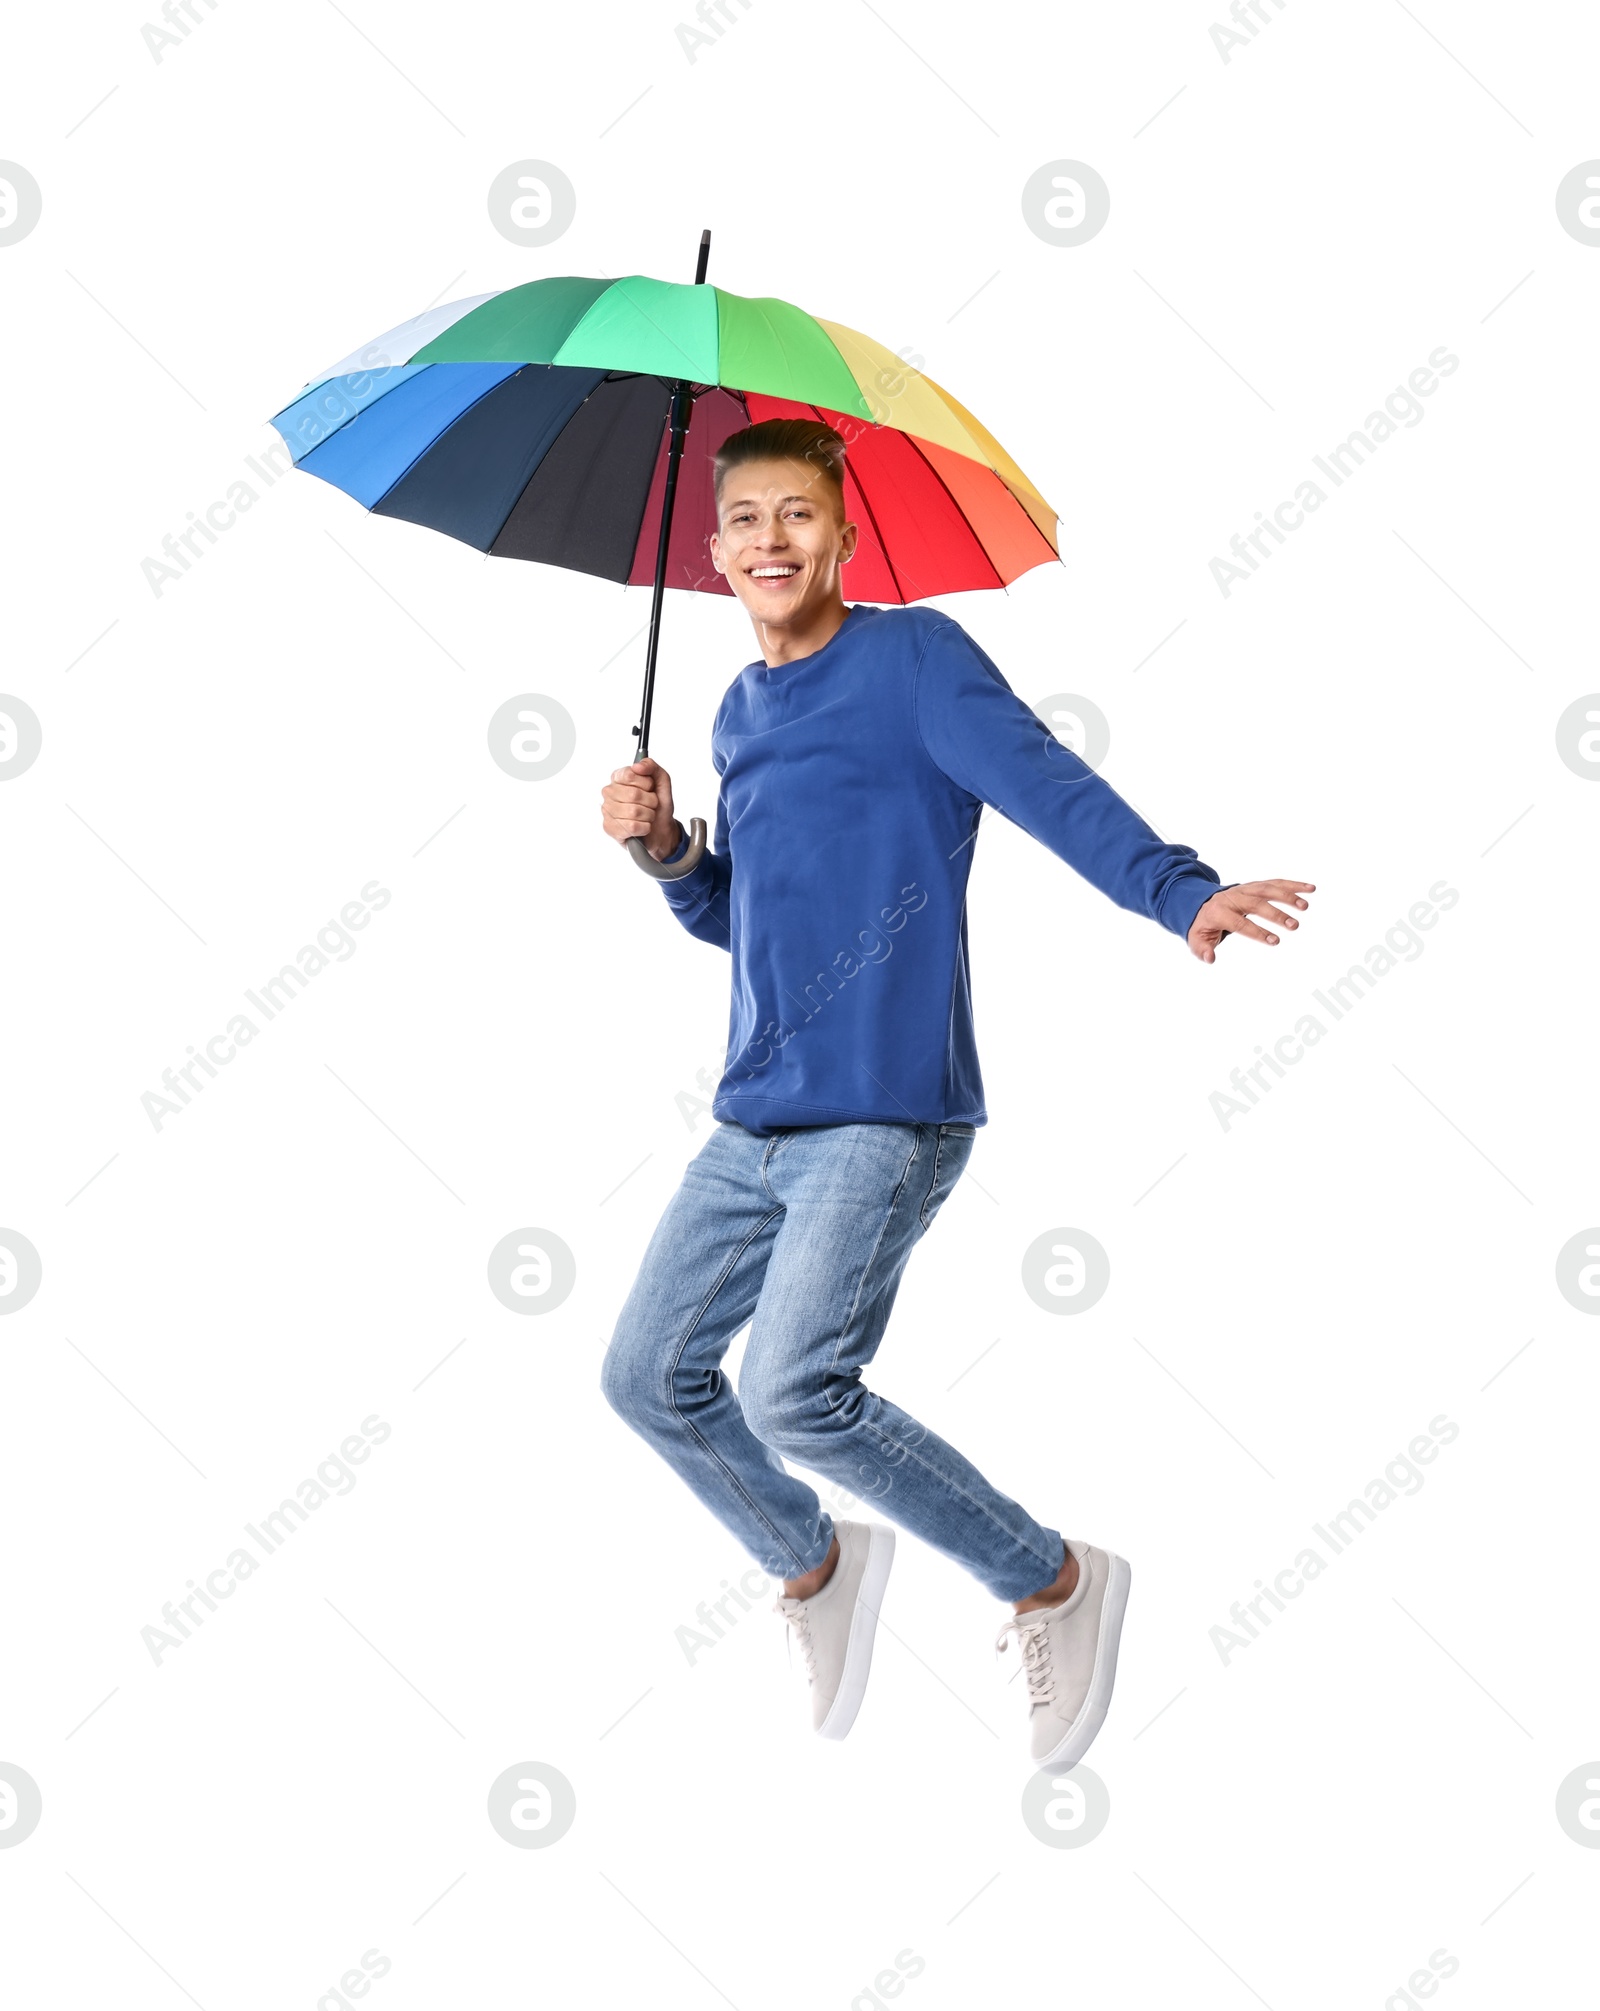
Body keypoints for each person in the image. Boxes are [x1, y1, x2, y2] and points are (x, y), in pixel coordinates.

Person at [599, 416, 1312, 1765]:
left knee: (795, 1393)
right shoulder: (738, 710)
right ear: (711, 552)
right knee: (646, 1377)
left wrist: (1178, 892)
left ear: (844, 535)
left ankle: (1053, 1580)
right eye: (746, 519)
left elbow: (1051, 790)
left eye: (798, 516)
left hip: (883, 1109)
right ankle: (814, 1563)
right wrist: (671, 853)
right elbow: (740, 923)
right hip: (753, 1117)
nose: (770, 541)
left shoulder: (914, 663)